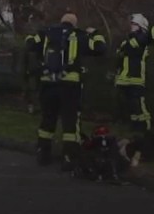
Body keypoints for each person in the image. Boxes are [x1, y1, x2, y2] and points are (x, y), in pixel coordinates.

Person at [33, 12, 107, 170]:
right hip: (69, 86)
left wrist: (39, 33)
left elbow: (30, 44)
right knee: (70, 123)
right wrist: (95, 33)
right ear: (74, 24)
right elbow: (100, 48)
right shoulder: (78, 35)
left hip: (48, 84)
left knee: (47, 120)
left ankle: (42, 153)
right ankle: (69, 158)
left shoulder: (48, 33)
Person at [114, 13, 153, 159]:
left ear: (141, 26)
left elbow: (132, 48)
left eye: (135, 24)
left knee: (141, 109)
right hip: (125, 80)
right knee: (132, 111)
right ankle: (136, 135)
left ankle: (146, 135)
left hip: (136, 79)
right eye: (131, 24)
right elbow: (119, 58)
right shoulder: (127, 41)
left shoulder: (141, 39)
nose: (131, 26)